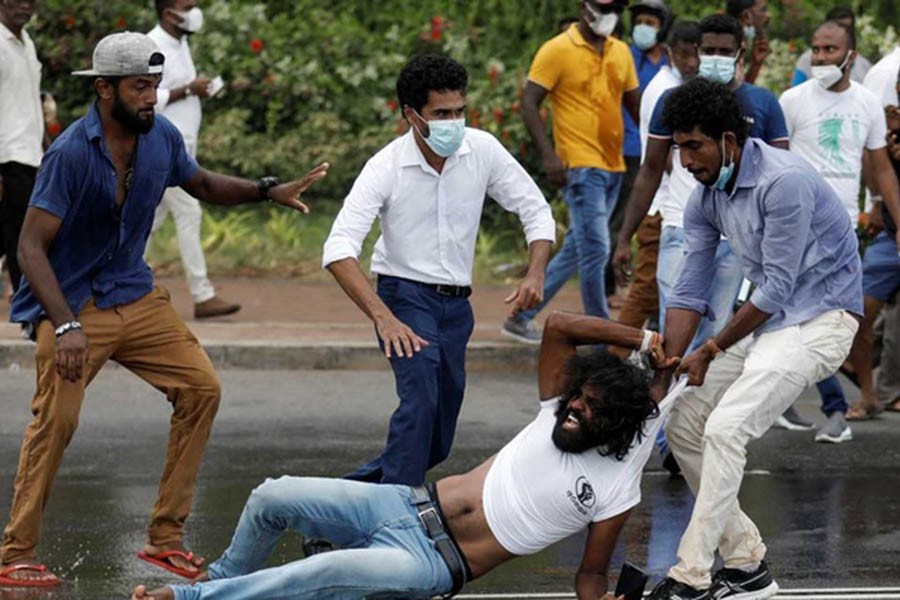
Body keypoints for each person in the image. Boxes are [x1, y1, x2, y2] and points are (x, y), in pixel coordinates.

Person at [0, 32, 329, 587]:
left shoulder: (161, 137)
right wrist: (67, 324)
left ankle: (164, 540)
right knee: (55, 421)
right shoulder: (70, 154)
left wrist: (264, 190)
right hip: (75, 304)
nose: (152, 97)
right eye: (140, 87)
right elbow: (30, 247)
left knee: (202, 389)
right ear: (105, 90)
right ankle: (16, 553)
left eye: (154, 85)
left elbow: (199, 182)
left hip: (136, 294)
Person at [130, 311, 680, 600]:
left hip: (431, 566)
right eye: (579, 396)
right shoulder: (553, 412)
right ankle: (218, 585)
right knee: (272, 495)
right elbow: (559, 325)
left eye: (590, 408)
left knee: (320, 572)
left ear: (617, 426)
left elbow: (589, 576)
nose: (575, 409)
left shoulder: (614, 487)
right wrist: (640, 337)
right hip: (402, 506)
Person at [644, 77, 862, 600]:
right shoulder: (704, 197)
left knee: (726, 427)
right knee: (686, 420)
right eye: (678, 149)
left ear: (729, 140)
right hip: (772, 321)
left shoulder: (781, 181)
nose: (685, 160)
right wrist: (669, 364)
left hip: (824, 320)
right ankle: (746, 564)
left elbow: (780, 286)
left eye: (694, 146)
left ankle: (691, 575)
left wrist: (711, 348)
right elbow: (690, 285)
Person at [322, 54, 554, 489]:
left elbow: (535, 210)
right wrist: (382, 316)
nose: (453, 122)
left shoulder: (481, 150)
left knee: (437, 438)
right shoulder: (387, 166)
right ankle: (396, 522)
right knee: (420, 405)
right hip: (404, 299)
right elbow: (338, 249)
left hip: (456, 308)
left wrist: (535, 273)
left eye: (459, 111)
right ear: (411, 115)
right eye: (441, 114)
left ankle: (335, 505)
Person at [614, 14, 788, 351]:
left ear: (740, 52)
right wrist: (625, 238)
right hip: (680, 228)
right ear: (697, 50)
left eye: (725, 51)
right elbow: (649, 170)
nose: (716, 58)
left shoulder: (762, 103)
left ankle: (697, 403)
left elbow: (779, 175)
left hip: (738, 236)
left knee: (714, 335)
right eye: (709, 50)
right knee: (673, 331)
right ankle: (665, 401)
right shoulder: (673, 101)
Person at [776, 20, 899, 442]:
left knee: (823, 315)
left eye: (829, 50)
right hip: (797, 224)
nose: (820, 58)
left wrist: (895, 219)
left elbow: (880, 167)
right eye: (816, 49)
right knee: (813, 312)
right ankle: (832, 409)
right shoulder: (792, 101)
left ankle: (802, 402)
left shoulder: (866, 103)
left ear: (850, 56)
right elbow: (776, 161)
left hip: (844, 226)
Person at [502, 0, 640, 343]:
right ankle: (601, 330)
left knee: (580, 248)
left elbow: (637, 106)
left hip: (614, 165)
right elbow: (529, 103)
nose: (610, 16)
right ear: (585, 7)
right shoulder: (557, 49)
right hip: (580, 166)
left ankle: (521, 316)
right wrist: (549, 155)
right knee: (596, 249)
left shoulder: (621, 51)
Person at [148, 0, 240, 319]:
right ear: (168, 12)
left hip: (184, 147)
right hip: (165, 149)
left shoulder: (180, 42)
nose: (195, 11)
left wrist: (200, 89)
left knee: (149, 220)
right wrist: (188, 90)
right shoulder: (153, 45)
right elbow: (148, 97)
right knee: (190, 212)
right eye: (188, 6)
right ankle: (202, 295)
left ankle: (111, 278)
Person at [613, 19, 701, 343]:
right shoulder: (665, 89)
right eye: (683, 55)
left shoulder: (685, 84)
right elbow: (660, 159)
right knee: (644, 295)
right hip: (661, 207)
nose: (691, 62)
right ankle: (611, 362)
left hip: (668, 206)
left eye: (696, 55)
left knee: (652, 297)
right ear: (668, 53)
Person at [606, 0, 670, 309]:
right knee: (619, 219)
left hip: (653, 151)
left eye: (652, 22)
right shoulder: (624, 55)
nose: (645, 27)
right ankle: (610, 285)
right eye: (640, 20)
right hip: (624, 147)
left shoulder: (670, 63)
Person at [846, 68, 900, 420]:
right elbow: (874, 167)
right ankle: (867, 395)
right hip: (889, 237)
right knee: (859, 311)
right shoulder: (888, 126)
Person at [0, 0, 43, 294]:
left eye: (31, 1)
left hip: (32, 154)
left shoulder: (26, 42)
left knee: (13, 234)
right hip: (8, 156)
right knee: (21, 237)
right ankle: (28, 303)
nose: (26, 6)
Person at [790, 5, 871, 87]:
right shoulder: (807, 60)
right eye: (838, 27)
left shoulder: (864, 66)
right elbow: (795, 87)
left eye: (848, 28)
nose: (821, 57)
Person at [725, 0, 769, 85]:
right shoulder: (730, 48)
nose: (767, 16)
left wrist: (756, 65)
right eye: (763, 10)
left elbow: (741, 89)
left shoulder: (738, 44)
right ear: (746, 16)